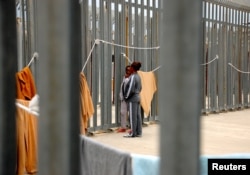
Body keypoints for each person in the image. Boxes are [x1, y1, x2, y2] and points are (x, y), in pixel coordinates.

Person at [123, 61, 142, 138]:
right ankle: (138, 132)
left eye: (130, 67)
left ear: (133, 68)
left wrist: (126, 96)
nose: (129, 68)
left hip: (132, 99)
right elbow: (140, 87)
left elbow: (131, 88)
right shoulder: (138, 76)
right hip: (137, 97)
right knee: (137, 116)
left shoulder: (133, 76)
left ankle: (133, 133)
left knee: (132, 116)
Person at [117, 65, 131, 133]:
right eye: (127, 70)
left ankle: (132, 128)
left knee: (131, 113)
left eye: (129, 70)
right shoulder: (124, 77)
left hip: (130, 98)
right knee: (123, 112)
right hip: (123, 98)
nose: (128, 71)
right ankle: (123, 127)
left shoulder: (132, 78)